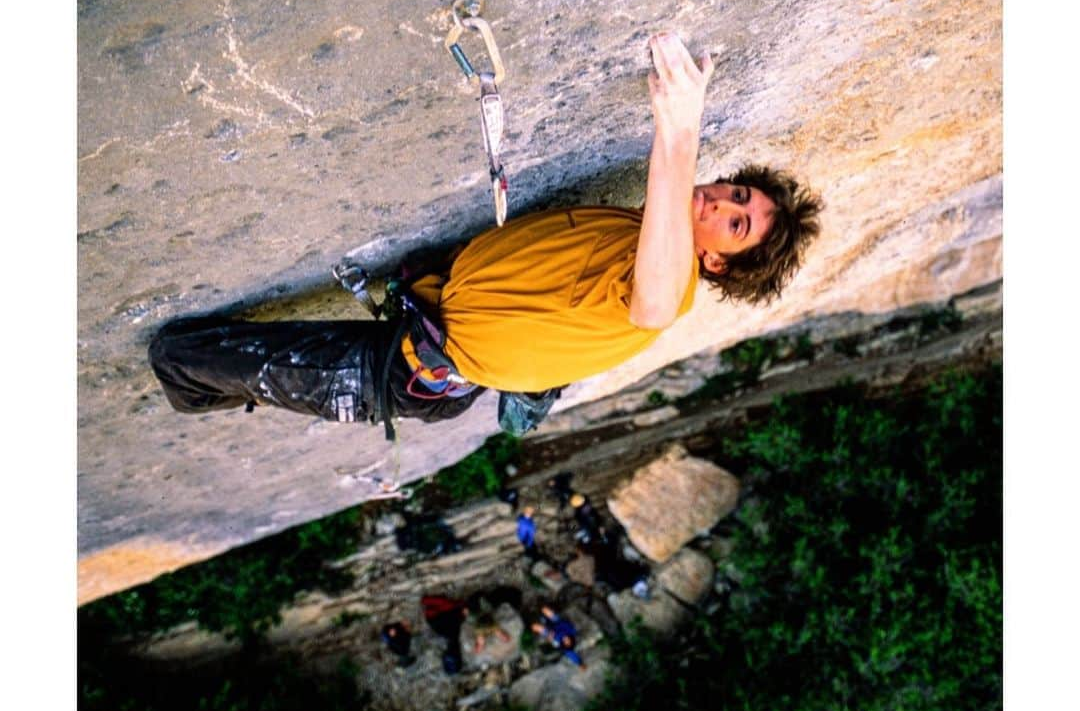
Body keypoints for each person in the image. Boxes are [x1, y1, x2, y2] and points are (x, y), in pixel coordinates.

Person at [148, 32, 822, 435]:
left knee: (180, 356)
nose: (718, 205)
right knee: (220, 359)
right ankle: (240, 386)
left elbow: (649, 306)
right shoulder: (634, 228)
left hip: (404, 371)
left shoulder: (672, 287)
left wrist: (679, 126)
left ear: (720, 262)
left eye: (734, 224)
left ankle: (215, 393)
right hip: (421, 325)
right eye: (737, 194)